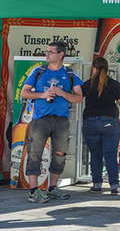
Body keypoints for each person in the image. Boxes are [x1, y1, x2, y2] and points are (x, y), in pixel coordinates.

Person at [20, 41, 84, 203]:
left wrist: (62, 93)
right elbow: (25, 93)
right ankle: (34, 190)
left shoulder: (70, 74)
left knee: (60, 154)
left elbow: (78, 98)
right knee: (35, 153)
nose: (46, 54)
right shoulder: (38, 72)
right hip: (40, 120)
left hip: (61, 120)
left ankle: (53, 187)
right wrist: (42, 95)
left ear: (61, 54)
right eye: (46, 52)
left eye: (50, 52)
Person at [82, 57, 120, 195]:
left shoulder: (87, 84)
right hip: (109, 122)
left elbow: (77, 97)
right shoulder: (114, 84)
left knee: (95, 155)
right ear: (107, 68)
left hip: (90, 122)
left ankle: (96, 184)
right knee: (110, 155)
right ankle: (114, 186)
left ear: (94, 68)